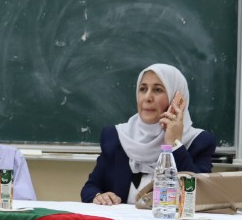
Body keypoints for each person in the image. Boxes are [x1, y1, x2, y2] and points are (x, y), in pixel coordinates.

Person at [81, 63, 216, 205]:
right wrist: (99, 196)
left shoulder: (199, 142)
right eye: (143, 89)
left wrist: (175, 144)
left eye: (157, 90)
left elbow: (200, 197)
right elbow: (90, 188)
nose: (147, 97)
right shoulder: (116, 137)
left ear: (176, 100)